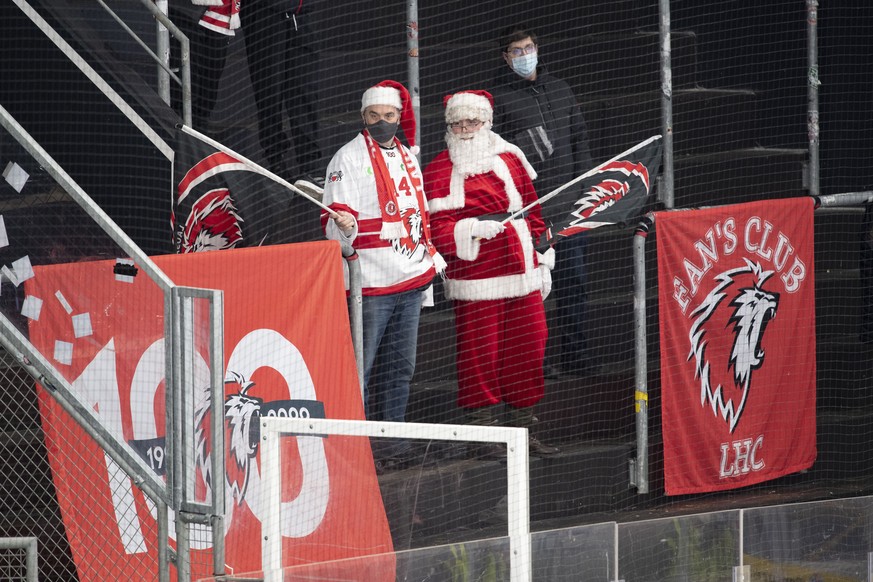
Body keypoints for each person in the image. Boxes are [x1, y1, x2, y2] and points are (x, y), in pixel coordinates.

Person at [423, 90, 559, 456]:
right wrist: (470, 230)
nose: (466, 129)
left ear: (487, 122)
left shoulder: (511, 158)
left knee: (529, 346)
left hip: (520, 266)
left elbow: (533, 209)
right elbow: (433, 228)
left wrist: (542, 255)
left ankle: (523, 430)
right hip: (475, 273)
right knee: (480, 353)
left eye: (473, 122)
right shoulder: (438, 170)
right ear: (449, 126)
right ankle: (485, 435)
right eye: (458, 123)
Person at [321, 80, 446, 431]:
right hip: (371, 286)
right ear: (363, 116)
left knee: (400, 369)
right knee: (360, 369)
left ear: (400, 115)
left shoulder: (408, 155)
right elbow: (333, 227)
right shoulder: (346, 157)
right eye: (373, 115)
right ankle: (355, 444)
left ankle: (393, 441)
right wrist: (344, 225)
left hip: (411, 281)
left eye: (388, 115)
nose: (381, 122)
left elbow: (419, 219)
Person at [490, 25, 595, 377]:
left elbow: (579, 136)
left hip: (571, 210)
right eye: (516, 51)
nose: (524, 55)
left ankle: (576, 358)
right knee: (535, 291)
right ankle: (538, 362)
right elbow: (496, 155)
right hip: (529, 215)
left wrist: (585, 189)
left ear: (538, 48)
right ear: (506, 57)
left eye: (528, 47)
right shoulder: (499, 99)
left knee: (574, 283)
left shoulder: (561, 89)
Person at [242, 0, 325, 198]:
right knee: (269, 91)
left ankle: (310, 167)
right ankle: (275, 162)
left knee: (305, 91)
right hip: (264, 13)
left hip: (301, 13)